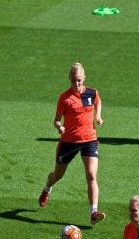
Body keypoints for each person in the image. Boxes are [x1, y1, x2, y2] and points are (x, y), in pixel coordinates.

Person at [38, 62, 106, 226]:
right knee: (58, 175)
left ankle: (93, 212)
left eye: (80, 81)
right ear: (70, 79)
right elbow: (56, 120)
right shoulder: (65, 98)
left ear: (84, 79)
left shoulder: (91, 92)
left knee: (91, 175)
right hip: (68, 142)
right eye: (74, 81)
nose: (77, 84)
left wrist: (98, 116)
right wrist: (59, 126)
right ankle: (47, 188)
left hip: (89, 139)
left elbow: (98, 101)